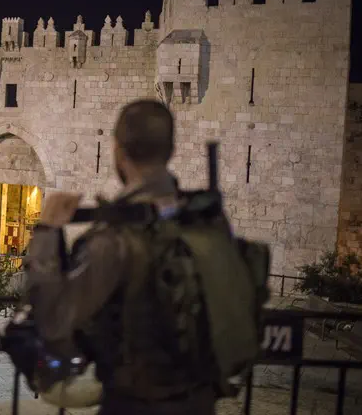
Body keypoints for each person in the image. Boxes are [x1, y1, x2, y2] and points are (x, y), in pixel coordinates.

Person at [23, 100, 219, 414]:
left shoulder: (115, 238)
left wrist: (46, 231)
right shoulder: (205, 222)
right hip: (199, 402)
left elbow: (54, 320)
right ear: (170, 150)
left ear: (117, 149)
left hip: (135, 405)